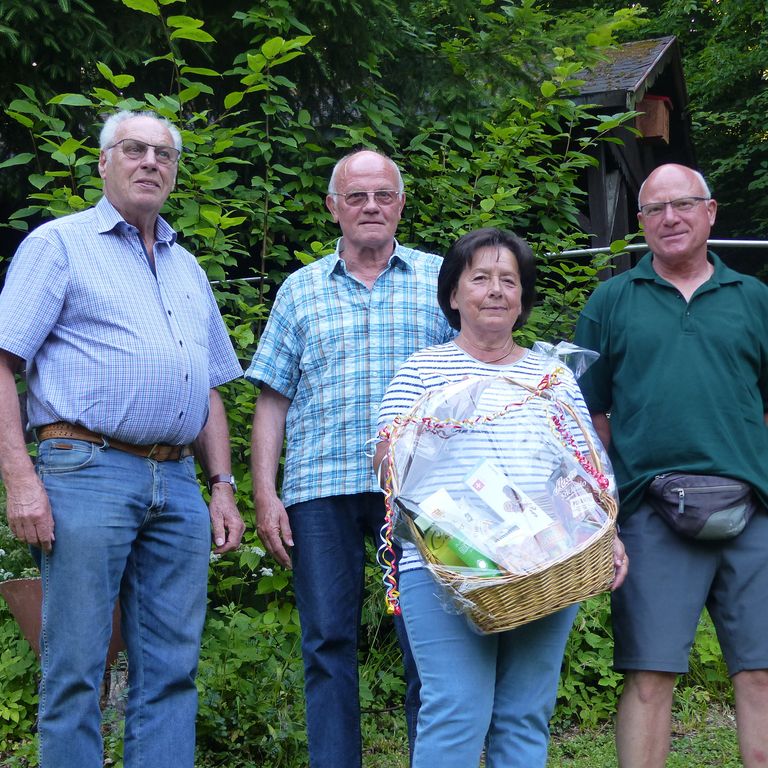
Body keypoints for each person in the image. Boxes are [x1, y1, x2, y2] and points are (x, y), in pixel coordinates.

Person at [0, 110, 245, 768]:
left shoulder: (187, 266)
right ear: (103, 162)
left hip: (180, 484)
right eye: (133, 149)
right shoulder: (59, 246)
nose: (150, 162)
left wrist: (222, 486)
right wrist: (21, 480)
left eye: (164, 154)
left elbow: (209, 388)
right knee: (75, 666)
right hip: (84, 469)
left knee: (170, 670)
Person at [374, 227, 628, 768]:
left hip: (547, 562)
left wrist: (609, 539)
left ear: (522, 299)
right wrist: (430, 426)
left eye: (508, 281)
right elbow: (385, 469)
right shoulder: (421, 371)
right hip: (445, 566)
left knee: (525, 715)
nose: (495, 290)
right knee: (455, 710)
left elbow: (587, 474)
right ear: (453, 294)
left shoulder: (552, 377)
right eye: (480, 278)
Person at [246, 148, 455, 767]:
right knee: (327, 643)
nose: (370, 206)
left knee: (426, 640)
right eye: (356, 196)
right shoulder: (299, 289)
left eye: (382, 195)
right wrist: (265, 493)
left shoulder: (440, 279)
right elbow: (271, 400)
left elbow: (476, 371)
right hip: (318, 492)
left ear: (400, 204)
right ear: (333, 207)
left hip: (417, 493)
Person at [574, 163, 768, 767]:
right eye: (655, 209)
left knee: (762, 673)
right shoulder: (611, 300)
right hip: (649, 513)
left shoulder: (756, 299)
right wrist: (620, 495)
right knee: (649, 676)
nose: (670, 218)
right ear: (641, 225)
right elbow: (587, 412)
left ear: (711, 213)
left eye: (683, 204)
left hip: (754, 509)